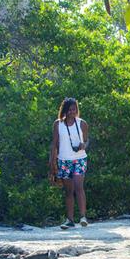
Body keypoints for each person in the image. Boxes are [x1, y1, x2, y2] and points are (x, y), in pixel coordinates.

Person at [49, 97, 89, 229]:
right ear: (65, 110)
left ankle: (83, 217)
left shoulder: (82, 123)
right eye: (70, 109)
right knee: (68, 191)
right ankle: (70, 220)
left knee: (79, 187)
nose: (72, 112)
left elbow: (87, 140)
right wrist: (52, 163)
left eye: (74, 109)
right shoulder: (58, 124)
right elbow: (54, 144)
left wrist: (84, 145)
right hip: (64, 160)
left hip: (79, 159)